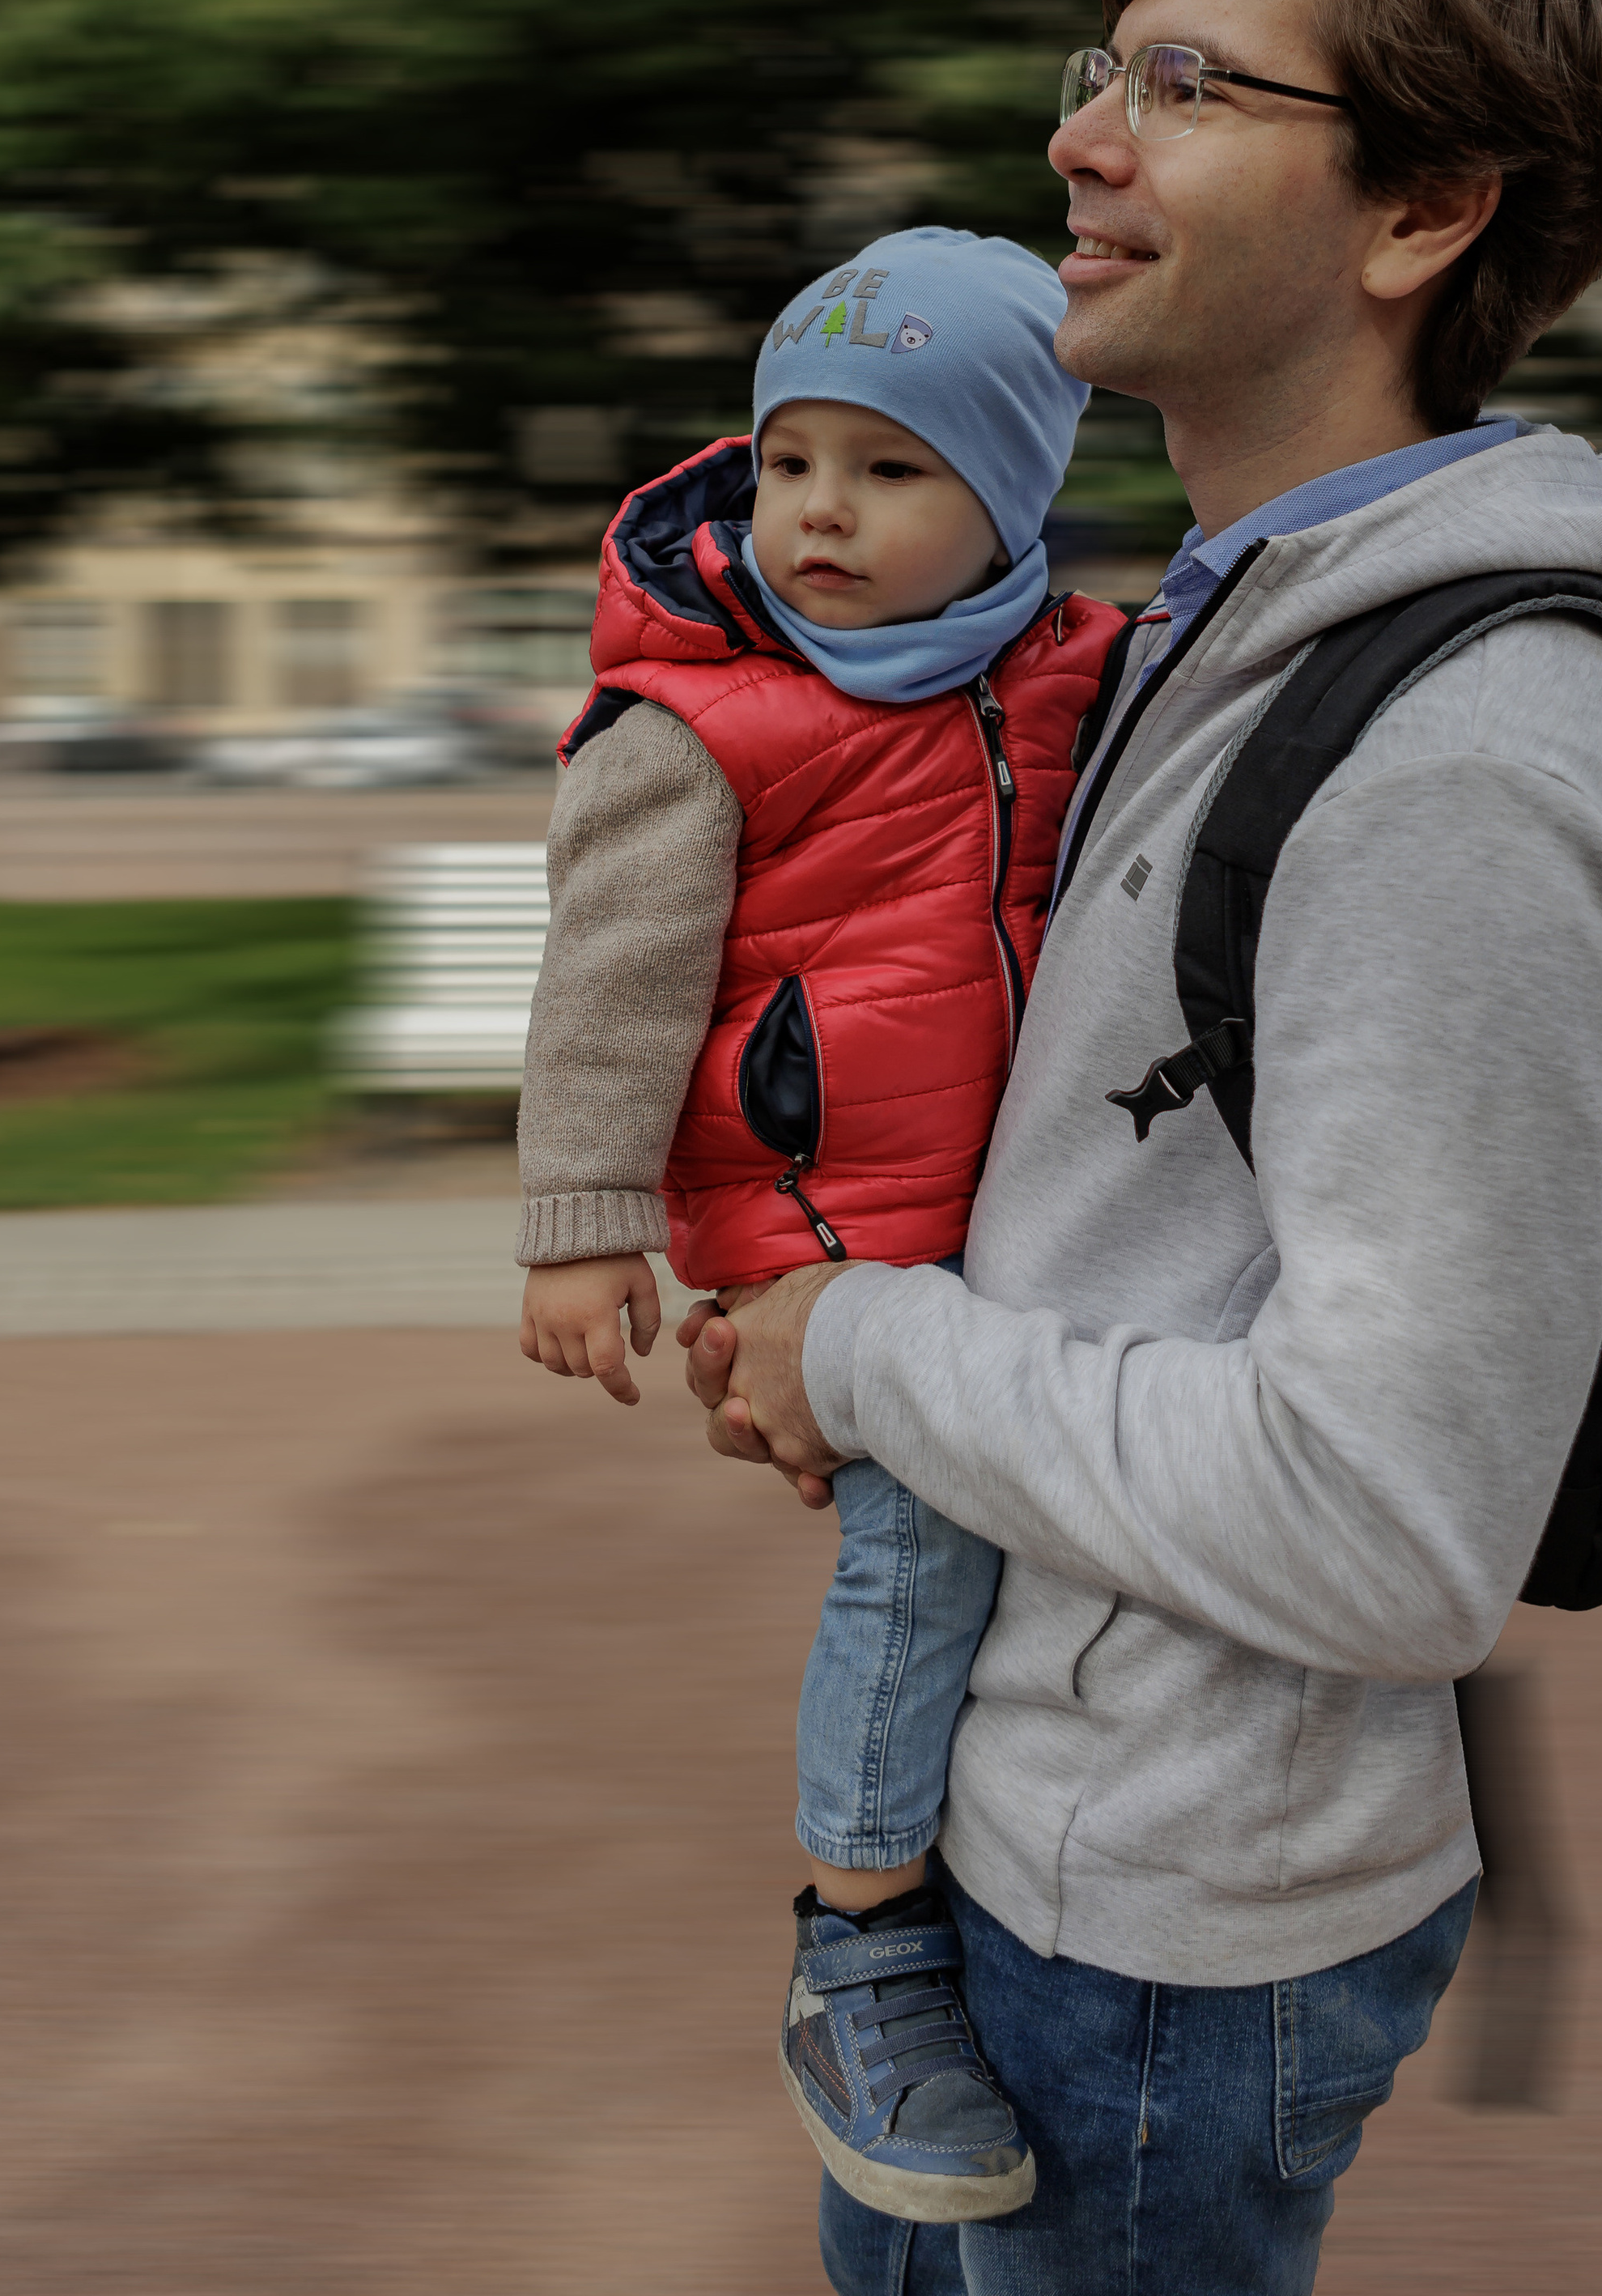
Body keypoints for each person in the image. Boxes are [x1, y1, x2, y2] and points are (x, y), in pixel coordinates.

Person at [682, 0, 1602, 2294]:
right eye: (1099, 70)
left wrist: (862, 1348)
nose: (1085, 138)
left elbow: (1392, 1522)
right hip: (1061, 1820)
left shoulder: (1472, 760)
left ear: (1427, 213)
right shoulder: (1232, 611)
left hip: (1164, 1930)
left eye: (1193, 86)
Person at [513, 227, 1125, 2224]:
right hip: (812, 1227)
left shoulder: (1073, 671)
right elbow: (608, 983)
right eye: (791, 463)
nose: (817, 514)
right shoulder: (702, 723)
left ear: (1012, 500)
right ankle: (857, 1942)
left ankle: (989, 1864)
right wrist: (581, 1223)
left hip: (1017, 1216)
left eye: (888, 470)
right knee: (919, 1546)